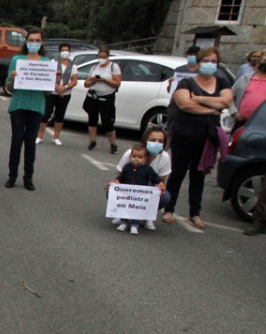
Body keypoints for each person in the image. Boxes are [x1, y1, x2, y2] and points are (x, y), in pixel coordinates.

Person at [162, 46, 233, 229]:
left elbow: (226, 101)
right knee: (178, 172)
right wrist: (211, 110)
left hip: (206, 137)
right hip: (184, 133)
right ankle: (169, 209)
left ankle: (195, 213)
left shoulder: (222, 82)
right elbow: (184, 104)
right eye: (206, 60)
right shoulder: (186, 82)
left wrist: (199, 100)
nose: (210, 64)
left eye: (214, 61)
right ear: (199, 62)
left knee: (198, 175)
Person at [4, 29, 49, 191]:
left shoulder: (46, 62)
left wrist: (52, 81)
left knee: (30, 143)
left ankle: (28, 177)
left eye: (37, 40)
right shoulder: (17, 60)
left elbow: (49, 90)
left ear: (41, 43)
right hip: (18, 104)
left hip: (36, 105)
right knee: (16, 140)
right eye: (31, 40)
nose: (34, 43)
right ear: (26, 42)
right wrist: (14, 78)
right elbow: (9, 85)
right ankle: (12, 175)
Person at [112, 126, 172, 230]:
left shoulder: (165, 157)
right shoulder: (130, 153)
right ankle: (121, 213)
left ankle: (147, 216)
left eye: (160, 141)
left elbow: (161, 180)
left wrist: (160, 187)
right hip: (129, 186)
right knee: (111, 190)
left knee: (165, 196)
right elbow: (121, 176)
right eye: (153, 140)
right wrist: (115, 184)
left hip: (148, 189)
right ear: (145, 140)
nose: (156, 143)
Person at [107, 144, 166, 235]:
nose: (136, 159)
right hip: (127, 195)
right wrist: (116, 182)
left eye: (140, 157)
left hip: (140, 196)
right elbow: (121, 177)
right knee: (125, 208)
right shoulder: (127, 167)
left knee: (137, 210)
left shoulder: (148, 169)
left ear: (145, 159)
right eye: (134, 156)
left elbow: (155, 178)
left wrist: (160, 184)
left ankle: (135, 225)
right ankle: (123, 222)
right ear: (130, 157)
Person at [36, 42, 77, 146]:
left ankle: (56, 137)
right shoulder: (53, 62)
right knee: (46, 114)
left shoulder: (73, 65)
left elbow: (74, 80)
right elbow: (48, 76)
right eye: (63, 50)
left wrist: (65, 88)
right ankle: (40, 136)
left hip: (65, 94)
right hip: (52, 92)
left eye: (66, 50)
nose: (65, 52)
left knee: (60, 115)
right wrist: (57, 86)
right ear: (59, 52)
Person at [82, 46, 122, 154]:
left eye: (104, 57)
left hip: (106, 97)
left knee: (107, 122)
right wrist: (93, 81)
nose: (101, 59)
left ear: (108, 57)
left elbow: (117, 83)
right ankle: (92, 141)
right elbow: (86, 83)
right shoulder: (95, 67)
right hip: (93, 96)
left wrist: (104, 79)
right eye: (100, 57)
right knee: (92, 119)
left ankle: (113, 144)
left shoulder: (113, 67)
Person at [229, 51, 266, 128]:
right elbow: (229, 96)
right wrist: (234, 112)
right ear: (258, 63)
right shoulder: (245, 78)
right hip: (241, 123)